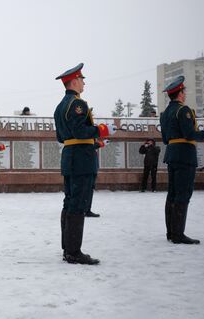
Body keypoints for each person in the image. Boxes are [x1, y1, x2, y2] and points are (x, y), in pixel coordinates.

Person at [54, 63, 117, 265]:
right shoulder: (77, 104)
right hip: (81, 159)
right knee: (78, 204)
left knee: (70, 201)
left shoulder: (60, 106)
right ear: (73, 81)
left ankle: (67, 248)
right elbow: (81, 131)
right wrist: (101, 130)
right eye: (81, 79)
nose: (83, 83)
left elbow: (61, 136)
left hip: (71, 155)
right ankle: (74, 252)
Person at [160, 75, 204, 244]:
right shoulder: (183, 110)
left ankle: (171, 232)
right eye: (184, 91)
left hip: (172, 154)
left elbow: (165, 138)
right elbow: (189, 134)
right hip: (184, 155)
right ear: (180, 93)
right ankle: (178, 234)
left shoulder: (165, 114)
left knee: (172, 194)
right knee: (183, 193)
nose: (185, 94)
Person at [86, 138, 108, 218]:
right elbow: (90, 147)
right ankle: (85, 210)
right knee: (87, 191)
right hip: (88, 171)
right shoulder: (87, 144)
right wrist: (101, 144)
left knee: (89, 191)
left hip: (92, 170)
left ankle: (86, 209)